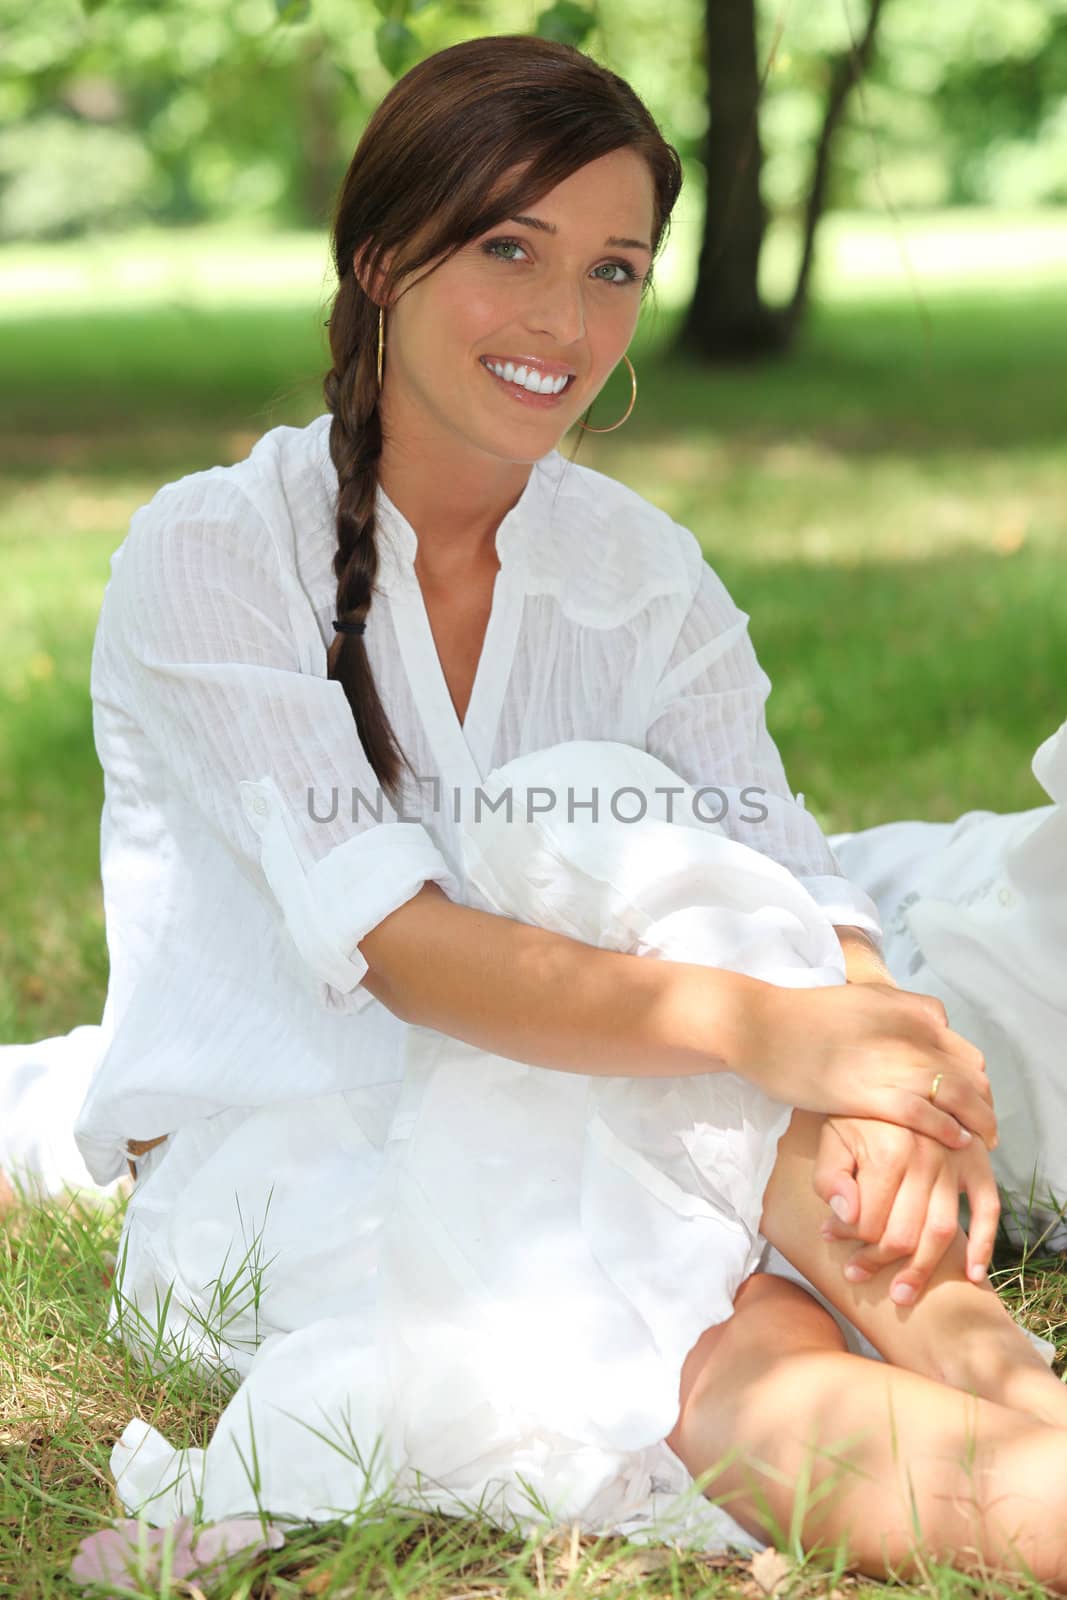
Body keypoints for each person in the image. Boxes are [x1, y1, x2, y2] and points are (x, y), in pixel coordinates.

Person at [7, 33, 1067, 1586]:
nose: (567, 322)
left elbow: (793, 877)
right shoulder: (217, 553)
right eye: (514, 249)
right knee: (734, 1340)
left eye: (616, 268)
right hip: (305, 1158)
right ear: (380, 257)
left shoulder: (642, 575)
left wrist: (895, 1066)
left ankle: (1021, 1403)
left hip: (630, 1087)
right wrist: (775, 1037)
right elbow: (403, 952)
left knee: (767, 1095)